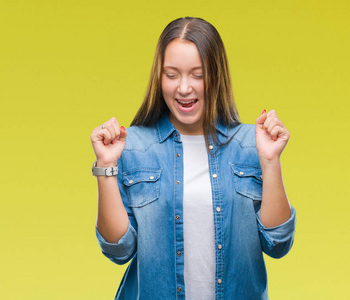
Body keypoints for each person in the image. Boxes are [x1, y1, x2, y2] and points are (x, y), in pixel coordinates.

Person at [90, 17, 296, 300]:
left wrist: (271, 162)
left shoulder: (251, 144)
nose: (183, 88)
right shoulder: (132, 146)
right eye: (171, 74)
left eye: (197, 75)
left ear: (217, 75)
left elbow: (277, 243)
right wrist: (106, 166)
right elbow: (118, 250)